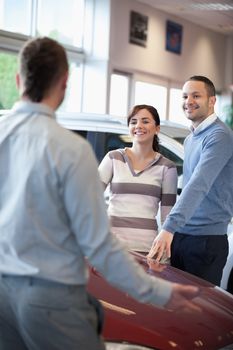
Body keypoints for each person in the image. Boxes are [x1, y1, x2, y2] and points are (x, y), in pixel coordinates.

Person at [0, 37, 200, 350]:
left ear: (17, 79)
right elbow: (99, 246)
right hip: (51, 299)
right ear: (64, 83)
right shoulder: (70, 150)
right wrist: (159, 292)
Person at [148, 75, 233, 286]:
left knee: (197, 315)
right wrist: (174, 230)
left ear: (212, 100)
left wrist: (168, 227)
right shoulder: (190, 138)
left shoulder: (219, 136)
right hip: (183, 235)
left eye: (196, 95)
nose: (189, 101)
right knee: (176, 309)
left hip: (205, 240)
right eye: (185, 96)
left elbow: (199, 184)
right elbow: (187, 184)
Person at [98, 104, 178, 253]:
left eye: (145, 121)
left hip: (146, 250)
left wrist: (164, 254)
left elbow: (168, 217)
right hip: (111, 248)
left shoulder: (167, 167)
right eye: (133, 122)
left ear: (157, 128)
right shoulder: (113, 158)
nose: (139, 126)